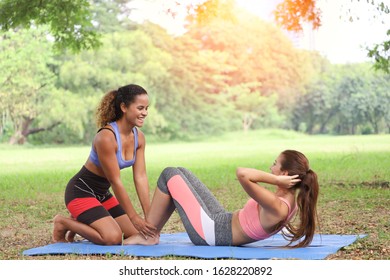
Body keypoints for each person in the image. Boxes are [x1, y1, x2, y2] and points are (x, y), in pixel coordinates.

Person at [124, 150, 319, 248]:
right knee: (180, 172)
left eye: (275, 165)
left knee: (169, 174)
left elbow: (242, 174)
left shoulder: (278, 206)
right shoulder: (287, 198)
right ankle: (151, 232)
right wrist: (278, 180)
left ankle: (148, 234)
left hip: (212, 233)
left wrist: (275, 179)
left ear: (284, 173)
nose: (271, 168)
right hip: (220, 220)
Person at [52, 84, 156, 245]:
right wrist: (134, 217)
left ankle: (81, 217)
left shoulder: (139, 138)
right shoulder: (106, 138)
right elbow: (116, 181)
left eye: (146, 108)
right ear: (124, 107)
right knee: (112, 238)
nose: (145, 113)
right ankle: (63, 222)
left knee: (137, 234)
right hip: (80, 192)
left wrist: (150, 216)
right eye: (140, 108)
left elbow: (141, 177)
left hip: (102, 195)